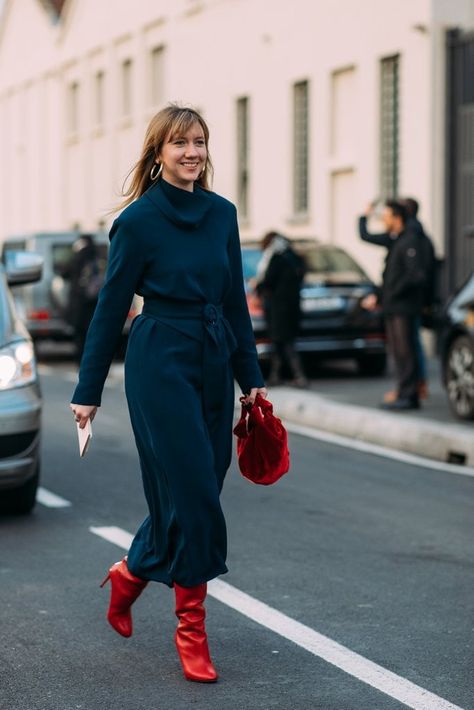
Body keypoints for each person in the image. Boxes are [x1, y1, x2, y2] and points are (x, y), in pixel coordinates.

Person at [69, 105, 266, 683]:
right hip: (159, 360)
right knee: (195, 493)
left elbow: (233, 303)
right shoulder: (138, 221)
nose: (192, 153)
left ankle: (131, 573)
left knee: (195, 490)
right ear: (158, 152)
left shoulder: (223, 214)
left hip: (212, 356)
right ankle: (191, 632)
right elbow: (110, 307)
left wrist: (251, 379)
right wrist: (88, 389)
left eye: (200, 142)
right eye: (180, 143)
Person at [359, 197, 435, 401]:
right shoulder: (398, 239)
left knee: (407, 350)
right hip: (394, 306)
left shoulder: (411, 239)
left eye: (385, 217)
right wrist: (381, 295)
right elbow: (392, 274)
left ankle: (410, 393)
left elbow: (415, 275)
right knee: (399, 352)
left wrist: (391, 294)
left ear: (397, 217)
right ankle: (405, 391)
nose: (383, 221)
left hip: (404, 307)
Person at [255, 231, 307, 387]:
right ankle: (277, 375)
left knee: (284, 343)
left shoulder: (276, 259)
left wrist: (258, 287)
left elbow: (268, 280)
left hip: (278, 308)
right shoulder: (294, 257)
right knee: (282, 343)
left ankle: (298, 376)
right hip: (292, 307)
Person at [62, 233, 104, 363]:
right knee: (93, 331)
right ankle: (94, 358)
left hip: (80, 302)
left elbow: (65, 273)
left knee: (80, 333)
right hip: (95, 301)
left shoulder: (78, 257)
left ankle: (80, 360)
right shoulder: (97, 256)